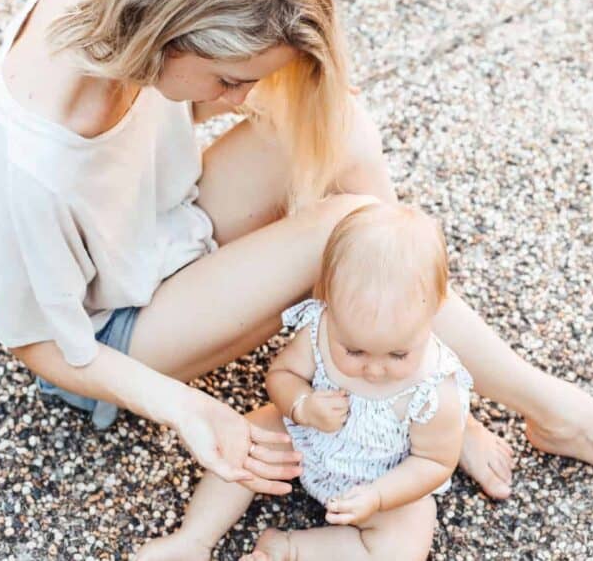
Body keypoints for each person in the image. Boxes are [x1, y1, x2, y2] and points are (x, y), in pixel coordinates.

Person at [0, 0, 593, 512]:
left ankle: (423, 376)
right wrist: (191, 411)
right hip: (113, 334)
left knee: (337, 123)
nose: (233, 102)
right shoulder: (27, 161)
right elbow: (39, 346)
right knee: (344, 229)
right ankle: (551, 410)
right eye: (230, 80)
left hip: (166, 228)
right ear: (167, 31)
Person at [136, 203, 473, 561]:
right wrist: (300, 405)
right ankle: (194, 539)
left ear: (435, 310)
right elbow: (282, 375)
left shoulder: (434, 392)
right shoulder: (321, 329)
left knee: (405, 541)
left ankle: (291, 550)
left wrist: (378, 496)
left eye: (397, 355)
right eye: (355, 351)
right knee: (248, 433)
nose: (374, 370)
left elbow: (433, 463)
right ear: (327, 303)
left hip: (382, 479)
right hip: (304, 443)